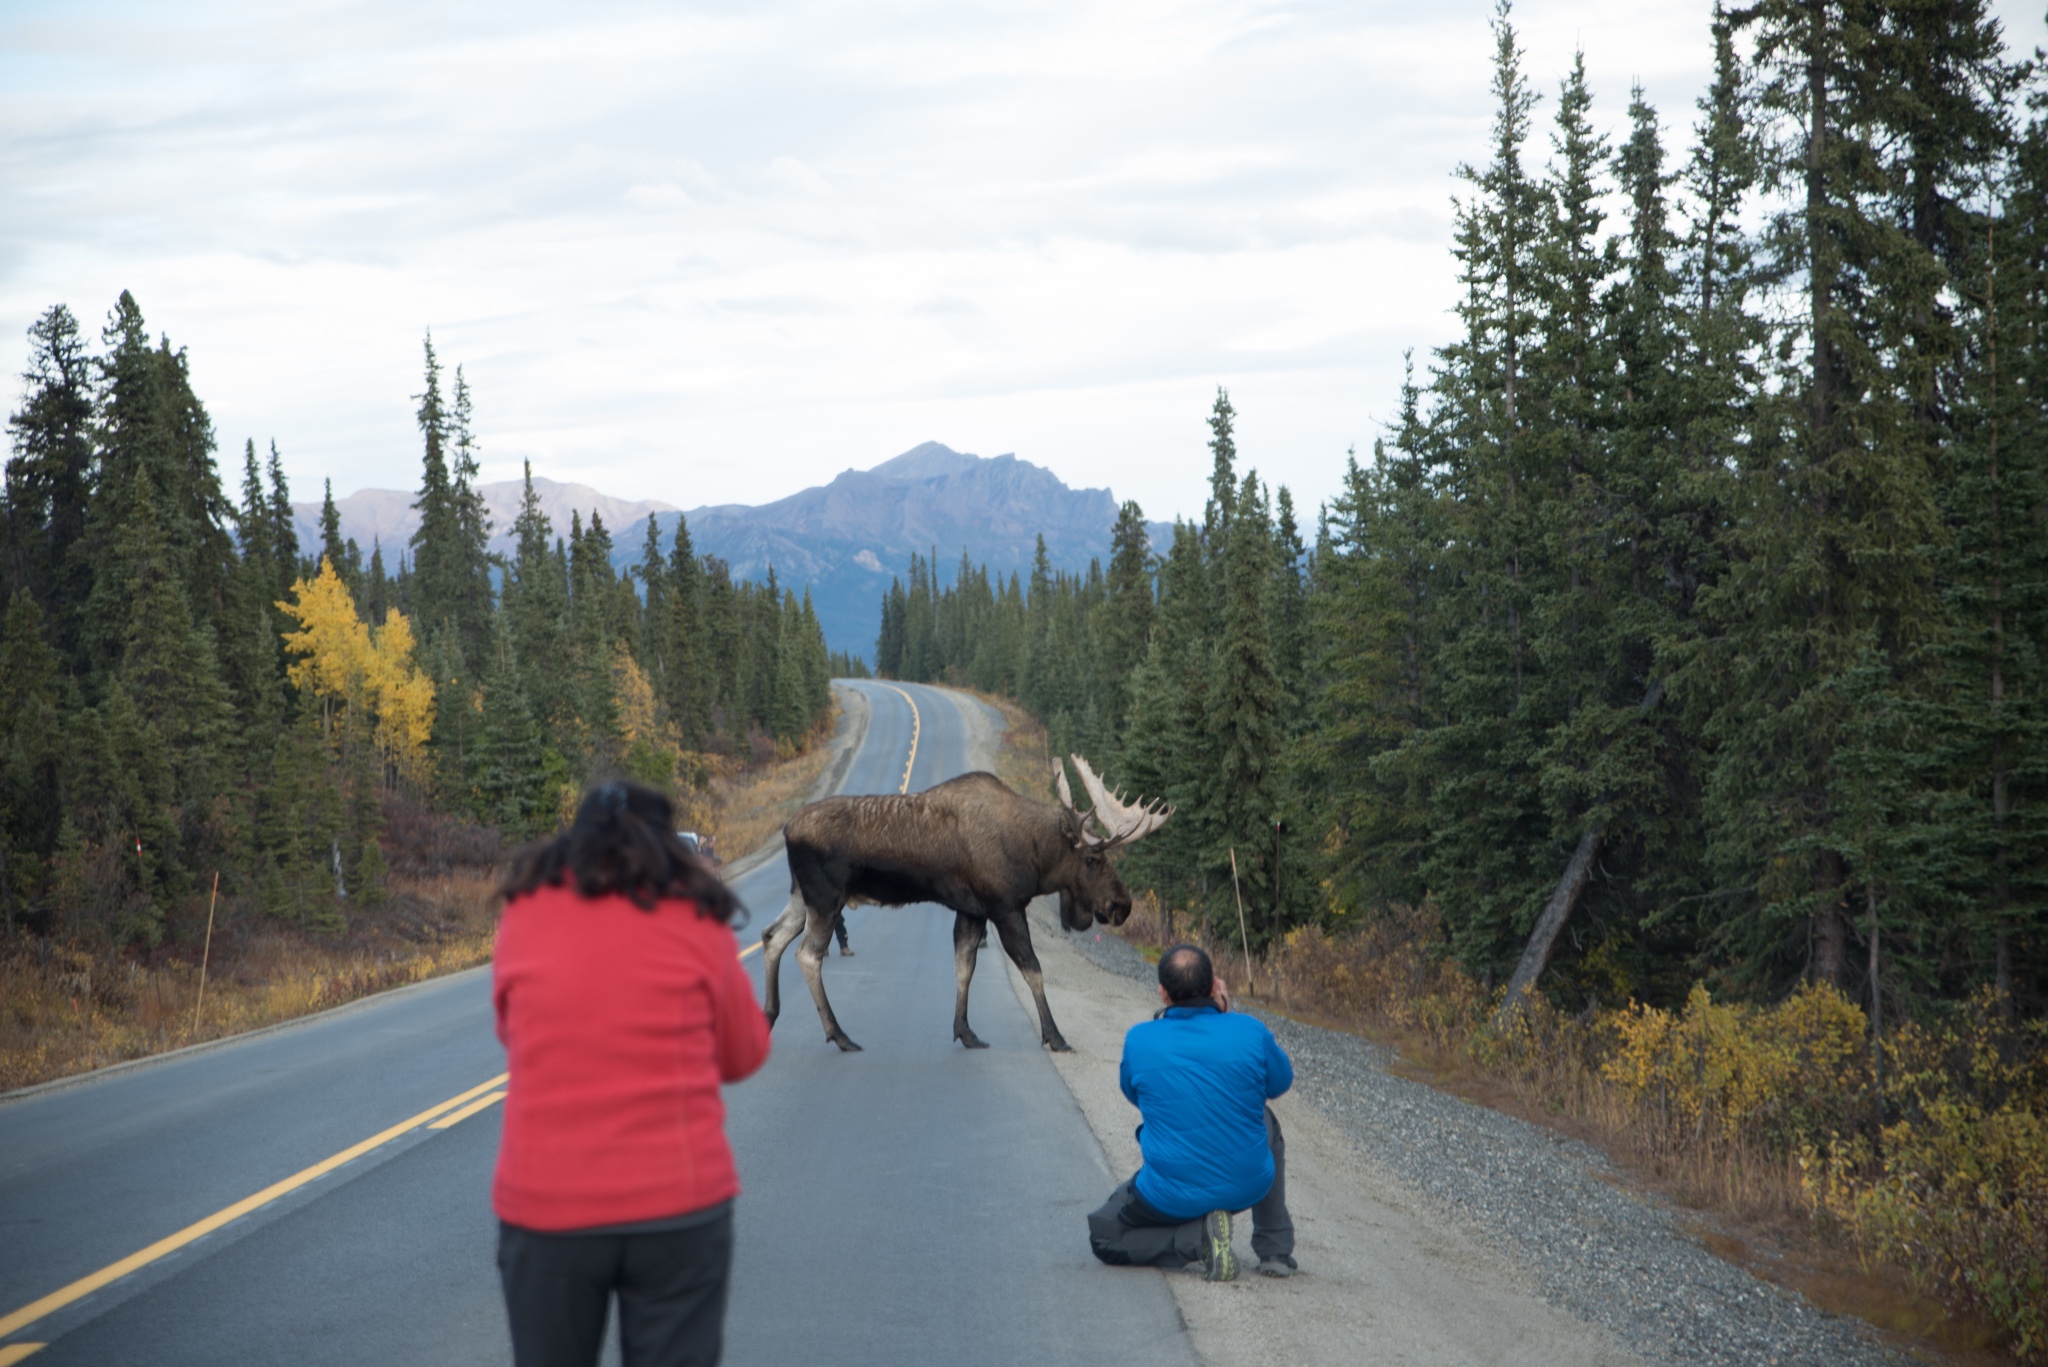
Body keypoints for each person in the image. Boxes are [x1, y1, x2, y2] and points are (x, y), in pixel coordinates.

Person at [493, 780, 771, 1367]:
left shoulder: (524, 911)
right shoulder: (694, 912)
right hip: (679, 1203)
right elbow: (744, 1055)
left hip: (548, 1209)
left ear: (575, 841)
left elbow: (511, 1034)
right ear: (667, 844)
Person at [1087, 944, 1296, 1282]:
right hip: (1247, 1186)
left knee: (1104, 1235)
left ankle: (1196, 1239)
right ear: (1215, 986)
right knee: (1266, 1118)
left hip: (1169, 1195)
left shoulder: (1139, 1039)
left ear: (1162, 992)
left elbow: (1132, 1093)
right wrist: (1227, 1017)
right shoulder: (1250, 1030)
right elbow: (1280, 1082)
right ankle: (1275, 1250)